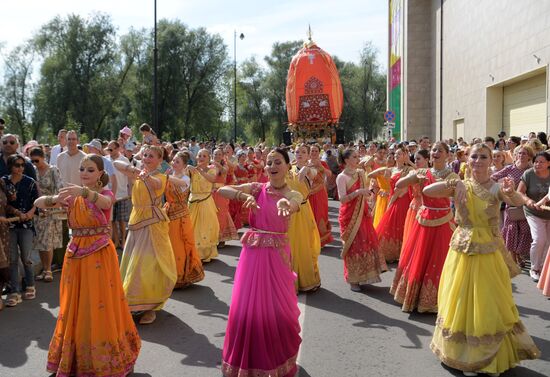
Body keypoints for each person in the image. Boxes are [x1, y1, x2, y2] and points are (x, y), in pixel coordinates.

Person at [427, 143, 540, 376]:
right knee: (460, 298)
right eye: (474, 156)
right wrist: (452, 183)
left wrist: (510, 192)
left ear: (492, 161)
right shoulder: (461, 185)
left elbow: (518, 201)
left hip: (488, 252)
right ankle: (463, 354)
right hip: (462, 249)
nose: (478, 160)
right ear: (467, 160)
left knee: (487, 301)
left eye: (483, 157)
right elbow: (429, 191)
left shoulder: (497, 186)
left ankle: (486, 355)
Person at [35, 154, 141, 376]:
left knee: (99, 303)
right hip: (75, 256)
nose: (85, 173)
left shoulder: (103, 193)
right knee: (75, 304)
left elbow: (105, 203)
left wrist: (82, 192)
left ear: (101, 174)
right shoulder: (73, 197)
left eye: (91, 170)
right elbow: (38, 203)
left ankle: (104, 358)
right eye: (83, 169)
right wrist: (55, 198)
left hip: (99, 256)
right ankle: (75, 357)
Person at [218, 148, 302, 377]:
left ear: (287, 166)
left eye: (277, 162)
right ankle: (247, 362)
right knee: (248, 306)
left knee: (276, 307)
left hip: (277, 258)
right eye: (269, 162)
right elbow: (222, 189)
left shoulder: (292, 193)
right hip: (252, 257)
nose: (272, 166)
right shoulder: (257, 189)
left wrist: (287, 205)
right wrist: (241, 195)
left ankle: (276, 360)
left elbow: (296, 201)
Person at [391, 142, 458, 312]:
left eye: (440, 151)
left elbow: (458, 198)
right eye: (434, 150)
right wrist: (411, 177)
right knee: (419, 258)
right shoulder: (422, 172)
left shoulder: (452, 176)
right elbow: (399, 185)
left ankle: (438, 300)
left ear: (447, 155)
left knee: (440, 259)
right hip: (424, 220)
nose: (436, 153)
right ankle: (415, 298)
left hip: (443, 221)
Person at [115, 145, 177, 325]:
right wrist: (133, 169)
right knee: (132, 263)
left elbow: (156, 185)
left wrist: (146, 175)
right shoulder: (137, 173)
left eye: (151, 156)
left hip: (152, 225)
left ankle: (151, 308)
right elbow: (117, 163)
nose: (147, 158)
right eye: (145, 155)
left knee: (147, 265)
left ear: (160, 160)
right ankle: (134, 303)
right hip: (136, 222)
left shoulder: (162, 177)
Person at [336, 148, 387, 292]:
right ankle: (353, 280)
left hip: (362, 213)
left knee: (365, 243)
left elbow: (366, 193)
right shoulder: (342, 177)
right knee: (353, 246)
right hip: (349, 215)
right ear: (346, 160)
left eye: (358, 156)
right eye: (354, 157)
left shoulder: (360, 173)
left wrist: (368, 203)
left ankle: (364, 275)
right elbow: (342, 199)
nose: (357, 159)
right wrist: (358, 192)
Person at [3, 154, 40, 307]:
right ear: (10, 166)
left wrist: (31, 213)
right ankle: (15, 291)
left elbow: (37, 202)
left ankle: (30, 285)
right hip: (9, 226)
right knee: (12, 259)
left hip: (26, 226)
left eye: (22, 165)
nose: (20, 168)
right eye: (17, 165)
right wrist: (17, 213)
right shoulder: (3, 182)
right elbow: (2, 203)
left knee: (26, 257)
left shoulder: (30, 182)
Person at [165, 151, 204, 288]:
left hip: (181, 216)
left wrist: (164, 177)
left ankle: (180, 276)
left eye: (177, 162)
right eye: (173, 160)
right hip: (169, 214)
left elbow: (178, 182)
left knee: (179, 246)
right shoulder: (170, 176)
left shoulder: (186, 179)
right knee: (169, 246)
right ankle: (170, 275)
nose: (173, 163)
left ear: (184, 165)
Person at [491, 145, 534, 267]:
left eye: (524, 153)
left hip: (526, 205)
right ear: (515, 155)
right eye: (519, 153)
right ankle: (514, 258)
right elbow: (493, 177)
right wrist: (501, 190)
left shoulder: (532, 171)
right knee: (511, 231)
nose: (521, 155)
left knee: (525, 231)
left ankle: (519, 254)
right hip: (511, 205)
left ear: (530, 156)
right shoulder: (509, 169)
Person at [287, 144, 322, 292]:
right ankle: (289, 281)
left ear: (308, 155)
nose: (299, 154)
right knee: (290, 246)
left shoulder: (310, 170)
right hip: (289, 211)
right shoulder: (289, 170)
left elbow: (313, 174)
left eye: (303, 152)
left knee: (304, 244)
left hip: (303, 211)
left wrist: (306, 169)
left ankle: (307, 280)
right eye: (297, 152)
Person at [371, 144, 412, 263]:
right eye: (396, 154)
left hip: (403, 199)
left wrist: (409, 162)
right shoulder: (392, 169)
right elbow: (372, 175)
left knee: (401, 224)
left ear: (405, 156)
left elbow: (420, 172)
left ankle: (402, 253)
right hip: (392, 198)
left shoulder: (408, 169)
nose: (397, 155)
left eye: (400, 154)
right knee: (391, 225)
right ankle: (390, 253)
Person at [29, 147, 63, 283]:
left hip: (50, 210)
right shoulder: (32, 170)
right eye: (32, 161)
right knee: (39, 242)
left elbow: (60, 188)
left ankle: (48, 270)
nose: (35, 163)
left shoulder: (53, 170)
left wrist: (52, 203)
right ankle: (44, 269)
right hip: (37, 210)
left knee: (47, 241)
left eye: (37, 160)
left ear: (43, 157)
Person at [517, 151, 550, 282]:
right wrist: (528, 201)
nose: (538, 164)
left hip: (548, 213)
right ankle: (534, 268)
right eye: (536, 161)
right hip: (533, 212)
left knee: (548, 242)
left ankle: (543, 268)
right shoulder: (529, 174)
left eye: (541, 162)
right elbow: (519, 192)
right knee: (539, 239)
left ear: (549, 163)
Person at [188, 149, 220, 262]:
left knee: (204, 227)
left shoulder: (212, 170)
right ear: (196, 157)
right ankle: (192, 253)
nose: (201, 157)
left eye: (204, 156)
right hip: (192, 201)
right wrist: (187, 168)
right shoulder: (191, 170)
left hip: (205, 201)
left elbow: (212, 179)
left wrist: (201, 171)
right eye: (200, 155)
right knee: (192, 227)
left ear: (208, 158)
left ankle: (203, 254)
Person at [106, 140, 132, 249]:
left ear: (117, 149)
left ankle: (123, 241)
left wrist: (130, 190)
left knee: (121, 220)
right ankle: (116, 241)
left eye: (111, 149)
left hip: (122, 194)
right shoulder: (106, 160)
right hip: (110, 194)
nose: (109, 151)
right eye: (108, 149)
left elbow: (130, 176)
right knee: (112, 220)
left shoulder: (124, 160)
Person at [308, 143, 334, 247]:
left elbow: (329, 174)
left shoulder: (322, 163)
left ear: (319, 153)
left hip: (320, 193)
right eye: (312, 151)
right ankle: (310, 240)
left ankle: (321, 240)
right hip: (308, 193)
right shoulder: (305, 163)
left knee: (320, 215)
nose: (313, 153)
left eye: (316, 151)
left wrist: (320, 167)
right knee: (310, 215)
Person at [212, 148, 238, 245]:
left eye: (219, 154)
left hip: (221, 192)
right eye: (215, 154)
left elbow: (223, 171)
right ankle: (213, 237)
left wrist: (216, 164)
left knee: (221, 213)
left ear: (222, 156)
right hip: (210, 193)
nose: (217, 156)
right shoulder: (209, 166)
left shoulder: (225, 166)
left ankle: (221, 237)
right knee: (212, 214)